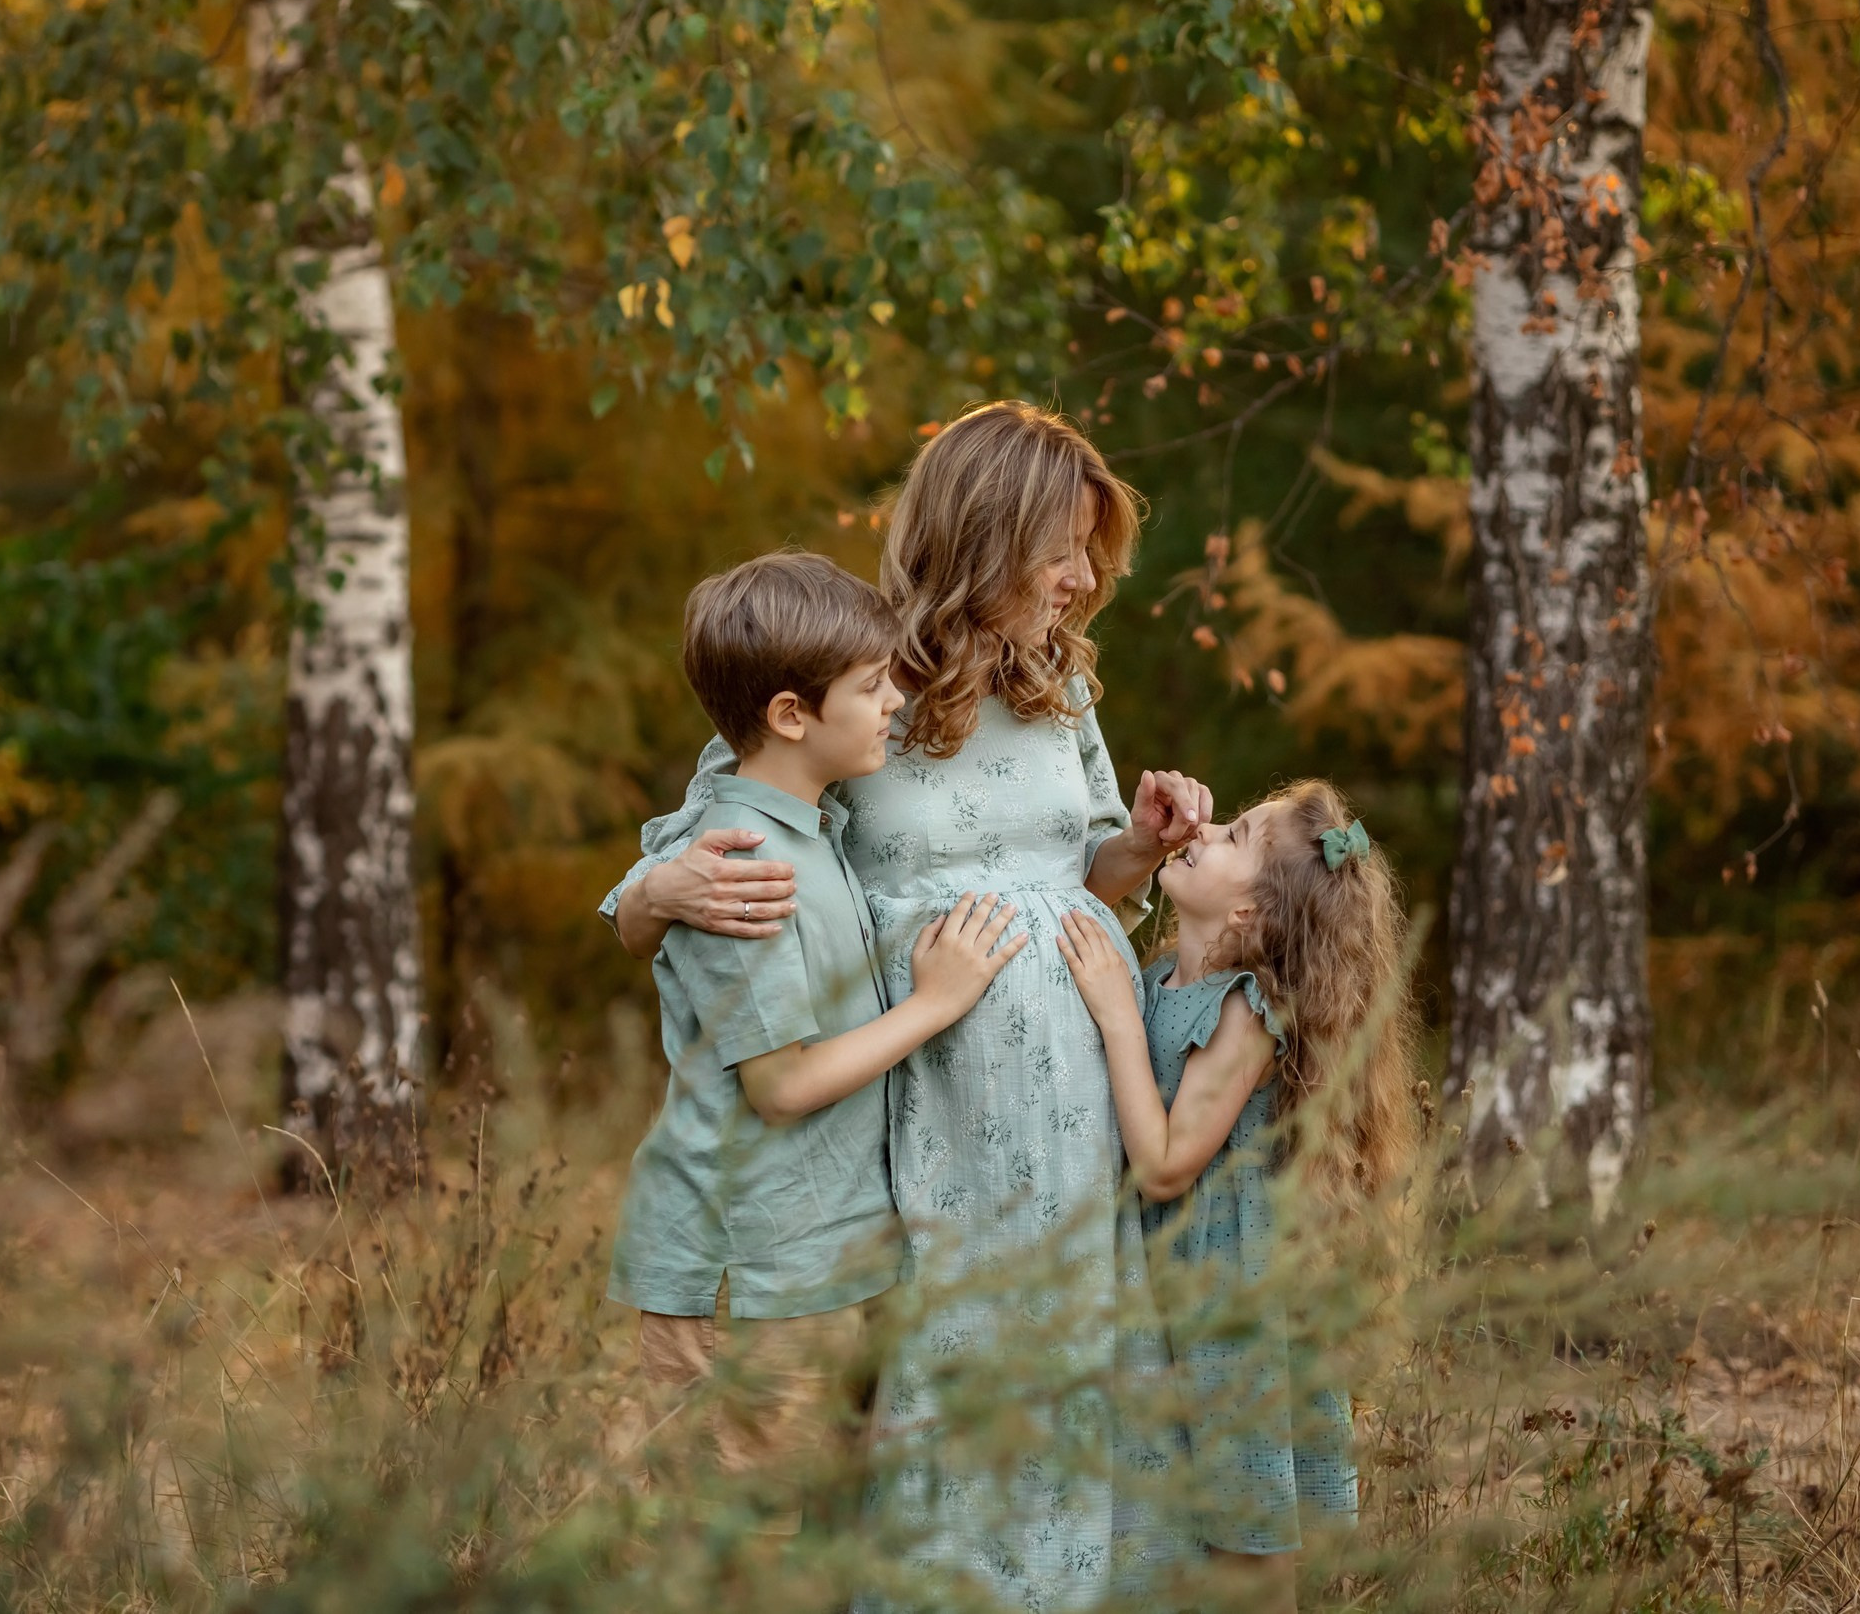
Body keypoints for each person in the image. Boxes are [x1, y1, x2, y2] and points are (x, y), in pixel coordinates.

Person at [604, 402, 1215, 1605]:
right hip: (917, 1094)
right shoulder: (850, 678)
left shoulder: (1063, 691)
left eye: (1092, 552)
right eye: (1062, 550)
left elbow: (1069, 878)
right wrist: (647, 892)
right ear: (988, 535)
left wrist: (1135, 853)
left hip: (1071, 1105)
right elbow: (718, 834)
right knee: (929, 1360)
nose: (1083, 579)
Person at [607, 550, 1029, 1527]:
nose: (894, 704)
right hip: (745, 1268)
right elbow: (781, 1087)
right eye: (873, 687)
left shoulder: (806, 819)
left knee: (820, 1538)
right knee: (736, 1546)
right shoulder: (744, 863)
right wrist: (933, 1003)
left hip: (809, 1258)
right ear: (792, 716)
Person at [1055, 780, 1415, 1612]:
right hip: (1166, 1287)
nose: (1207, 829)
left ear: (1253, 911)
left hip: (1226, 1301)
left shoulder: (1247, 1012)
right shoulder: (1157, 977)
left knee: (1240, 1549)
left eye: (1234, 835)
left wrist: (1113, 1016)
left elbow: (1169, 1164)